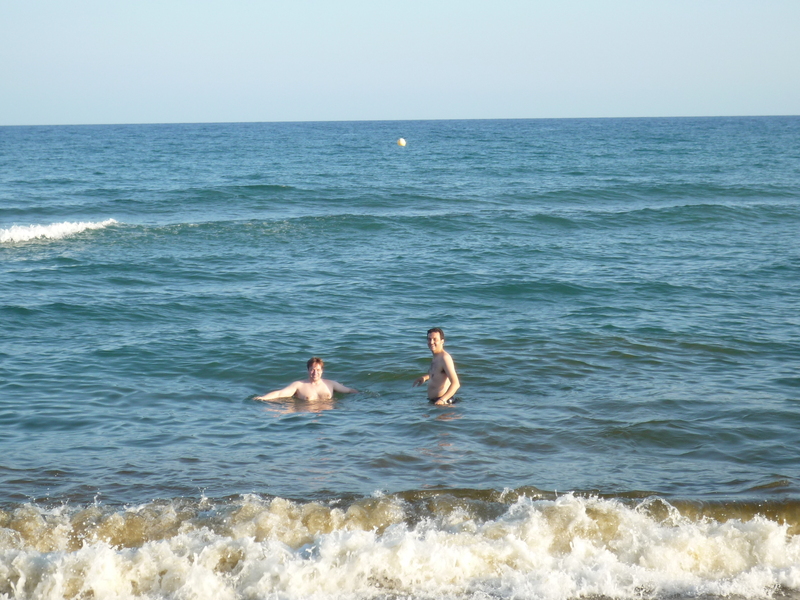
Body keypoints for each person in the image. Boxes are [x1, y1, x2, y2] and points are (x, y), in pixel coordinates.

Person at [255, 357, 357, 401]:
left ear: (322, 371)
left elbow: (348, 390)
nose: (315, 372)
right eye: (312, 370)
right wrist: (263, 398)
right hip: (308, 419)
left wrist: (361, 394)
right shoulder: (299, 385)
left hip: (327, 418)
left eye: (318, 370)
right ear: (308, 370)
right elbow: (280, 394)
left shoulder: (331, 384)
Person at [412, 327, 460, 405]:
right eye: (429, 339)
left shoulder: (445, 358)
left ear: (442, 341)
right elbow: (439, 374)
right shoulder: (436, 357)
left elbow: (456, 384)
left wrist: (442, 400)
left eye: (435, 339)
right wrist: (425, 378)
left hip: (444, 404)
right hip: (435, 402)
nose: (431, 342)